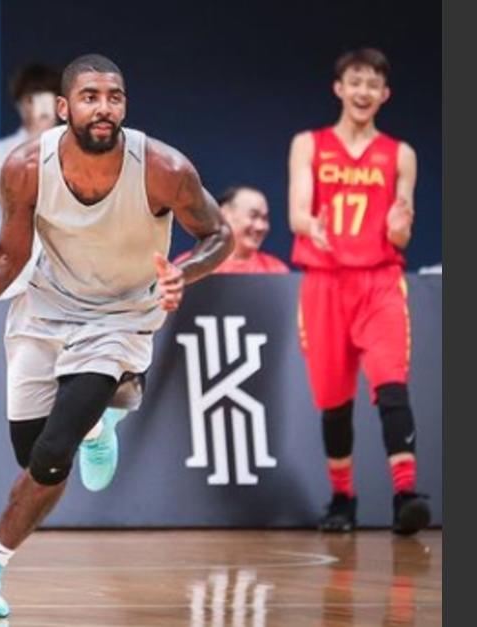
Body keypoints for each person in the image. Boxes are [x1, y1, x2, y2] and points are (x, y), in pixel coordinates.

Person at [0, 53, 233, 618]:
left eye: (115, 97)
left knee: (54, 454)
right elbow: (10, 252)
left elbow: (219, 234)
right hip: (45, 305)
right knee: (31, 453)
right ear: (63, 108)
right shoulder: (26, 167)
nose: (105, 108)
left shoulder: (164, 168)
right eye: (91, 97)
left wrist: (185, 271)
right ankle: (102, 423)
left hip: (122, 312)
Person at [288, 48, 430, 536]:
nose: (364, 91)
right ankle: (342, 497)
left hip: (380, 282)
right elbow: (297, 213)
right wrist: (313, 225)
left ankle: (406, 494)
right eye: (355, 82)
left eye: (373, 84)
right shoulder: (309, 144)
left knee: (391, 384)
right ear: (339, 88)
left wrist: (397, 225)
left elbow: (403, 229)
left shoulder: (400, 154)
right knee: (334, 399)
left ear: (385, 94)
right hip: (325, 282)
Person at [0, 64, 62, 299]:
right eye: (31, 99)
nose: (39, 107)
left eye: (48, 99)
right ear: (20, 103)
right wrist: (36, 142)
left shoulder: (74, 150)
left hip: (66, 267)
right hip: (17, 271)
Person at [173, 186, 289, 273]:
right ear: (225, 214)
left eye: (265, 218)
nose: (261, 226)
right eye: (253, 216)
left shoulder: (275, 270)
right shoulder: (190, 265)